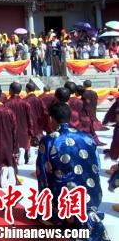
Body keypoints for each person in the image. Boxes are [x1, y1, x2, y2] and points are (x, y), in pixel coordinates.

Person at [36, 103, 108, 240]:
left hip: (65, 196)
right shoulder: (87, 137)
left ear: (52, 119)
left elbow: (42, 173)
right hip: (93, 194)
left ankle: (64, 217)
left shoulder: (49, 140)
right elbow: (97, 166)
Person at [4, 82, 34, 165]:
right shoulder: (26, 103)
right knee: (23, 145)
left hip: (11, 130)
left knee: (13, 147)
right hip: (24, 129)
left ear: (10, 90)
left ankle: (16, 157)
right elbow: (30, 119)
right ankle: (24, 155)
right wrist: (31, 131)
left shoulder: (6, 104)